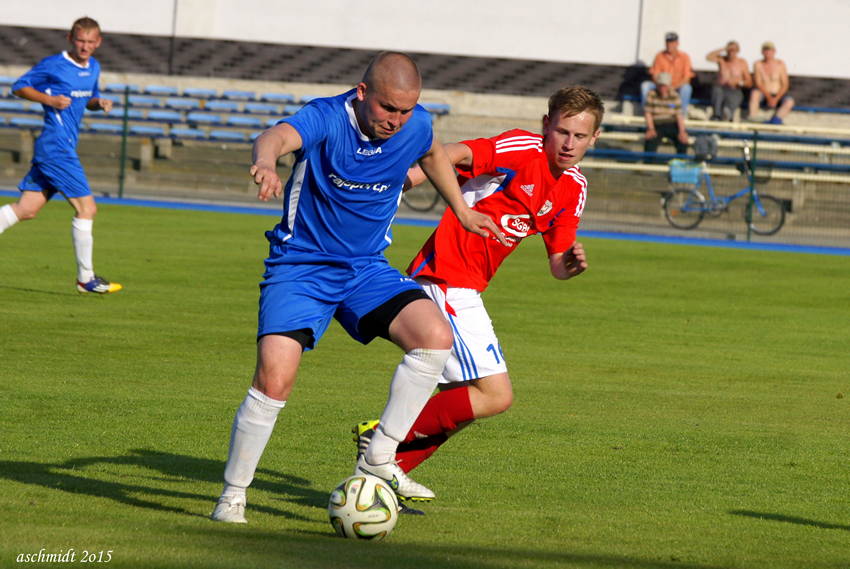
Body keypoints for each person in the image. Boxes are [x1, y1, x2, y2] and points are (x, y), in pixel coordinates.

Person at [210, 51, 507, 524]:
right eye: (389, 108)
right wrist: (266, 162)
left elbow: (431, 153)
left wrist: (463, 210)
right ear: (363, 92)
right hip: (301, 268)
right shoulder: (326, 116)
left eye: (407, 109)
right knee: (274, 380)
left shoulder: (416, 124)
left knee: (434, 337)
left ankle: (379, 456)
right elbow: (276, 136)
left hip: (366, 269)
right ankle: (233, 495)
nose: (397, 120)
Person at [352, 86, 601, 498]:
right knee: (495, 395)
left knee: (464, 402)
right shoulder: (523, 149)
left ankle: (381, 480)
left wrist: (570, 266)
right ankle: (382, 438)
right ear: (546, 126)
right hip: (445, 280)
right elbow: (454, 153)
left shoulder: (574, 188)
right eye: (562, 132)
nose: (568, 143)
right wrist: (400, 182)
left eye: (578, 136)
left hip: (467, 289)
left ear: (595, 139)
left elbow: (557, 263)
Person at [0, 17, 121, 294]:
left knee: (26, 210)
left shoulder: (94, 67)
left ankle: (86, 280)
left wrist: (97, 102)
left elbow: (87, 98)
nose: (85, 46)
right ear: (70, 38)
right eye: (81, 40)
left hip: (60, 148)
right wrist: (48, 100)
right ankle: (86, 279)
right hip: (57, 149)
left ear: (99, 42)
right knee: (87, 209)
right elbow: (18, 86)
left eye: (91, 42)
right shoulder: (54, 64)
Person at [641, 32, 695, 117]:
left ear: (677, 43)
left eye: (672, 42)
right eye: (667, 42)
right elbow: (655, 75)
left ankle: (681, 114)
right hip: (661, 86)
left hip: (677, 87)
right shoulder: (659, 56)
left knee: (687, 88)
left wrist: (673, 87)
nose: (669, 45)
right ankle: (647, 113)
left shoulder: (685, 57)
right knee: (645, 86)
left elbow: (687, 78)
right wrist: (662, 87)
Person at [748, 41, 794, 125]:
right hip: (764, 95)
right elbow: (758, 83)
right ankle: (753, 117)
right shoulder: (758, 64)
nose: (767, 53)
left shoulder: (780, 64)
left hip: (777, 94)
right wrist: (769, 97)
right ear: (762, 52)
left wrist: (775, 98)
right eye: (765, 50)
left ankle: (776, 120)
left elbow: (785, 84)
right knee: (755, 93)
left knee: (790, 101)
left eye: (770, 50)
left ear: (774, 52)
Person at [643, 73, 689, 156]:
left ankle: (681, 163)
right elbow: (648, 113)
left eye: (664, 85)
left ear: (669, 85)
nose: (662, 88)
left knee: (682, 140)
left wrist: (682, 131)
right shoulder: (651, 95)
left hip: (672, 123)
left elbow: (678, 115)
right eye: (660, 85)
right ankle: (648, 163)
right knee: (650, 139)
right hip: (657, 123)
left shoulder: (675, 96)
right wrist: (650, 128)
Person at [706, 41, 752, 121]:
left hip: (735, 89)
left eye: (733, 50)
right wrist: (724, 48)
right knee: (716, 91)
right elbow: (708, 57)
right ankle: (717, 115)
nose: (731, 52)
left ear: (737, 51)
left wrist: (739, 82)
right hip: (721, 88)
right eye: (729, 50)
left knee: (735, 98)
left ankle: (727, 114)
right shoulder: (722, 60)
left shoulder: (742, 63)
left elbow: (749, 82)